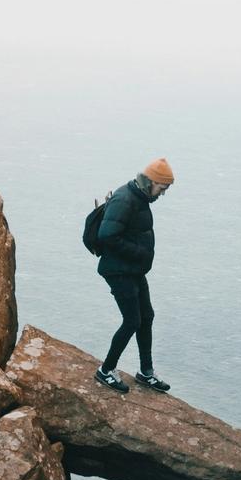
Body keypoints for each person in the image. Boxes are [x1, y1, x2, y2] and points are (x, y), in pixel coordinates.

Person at [93, 158, 174, 394]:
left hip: (132, 269)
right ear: (151, 182)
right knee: (132, 321)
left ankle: (145, 372)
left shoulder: (139, 198)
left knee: (146, 316)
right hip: (118, 271)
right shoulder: (125, 199)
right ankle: (106, 370)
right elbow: (107, 235)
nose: (162, 194)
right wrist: (139, 253)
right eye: (162, 188)